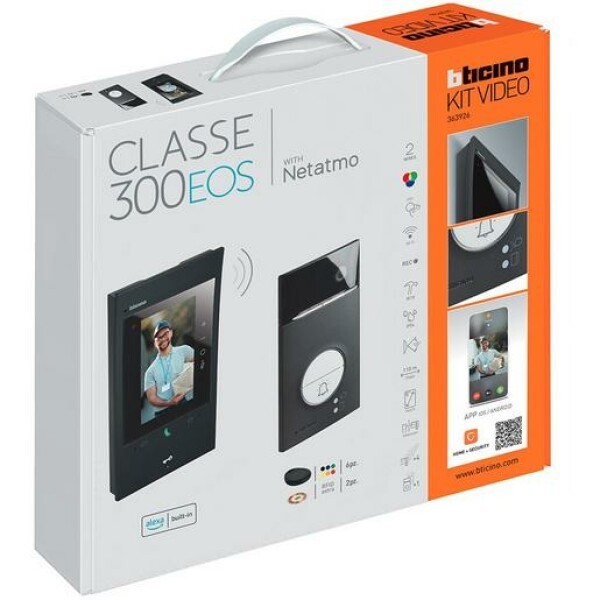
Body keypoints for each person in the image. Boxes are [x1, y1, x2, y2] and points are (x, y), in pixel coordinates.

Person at [144, 320, 194, 418]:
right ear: (155, 342)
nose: (162, 338)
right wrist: (169, 403)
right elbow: (151, 398)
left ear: (171, 333)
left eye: (165, 334)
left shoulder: (184, 350)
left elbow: (201, 361)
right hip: (162, 412)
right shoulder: (150, 371)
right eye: (159, 337)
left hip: (182, 402)